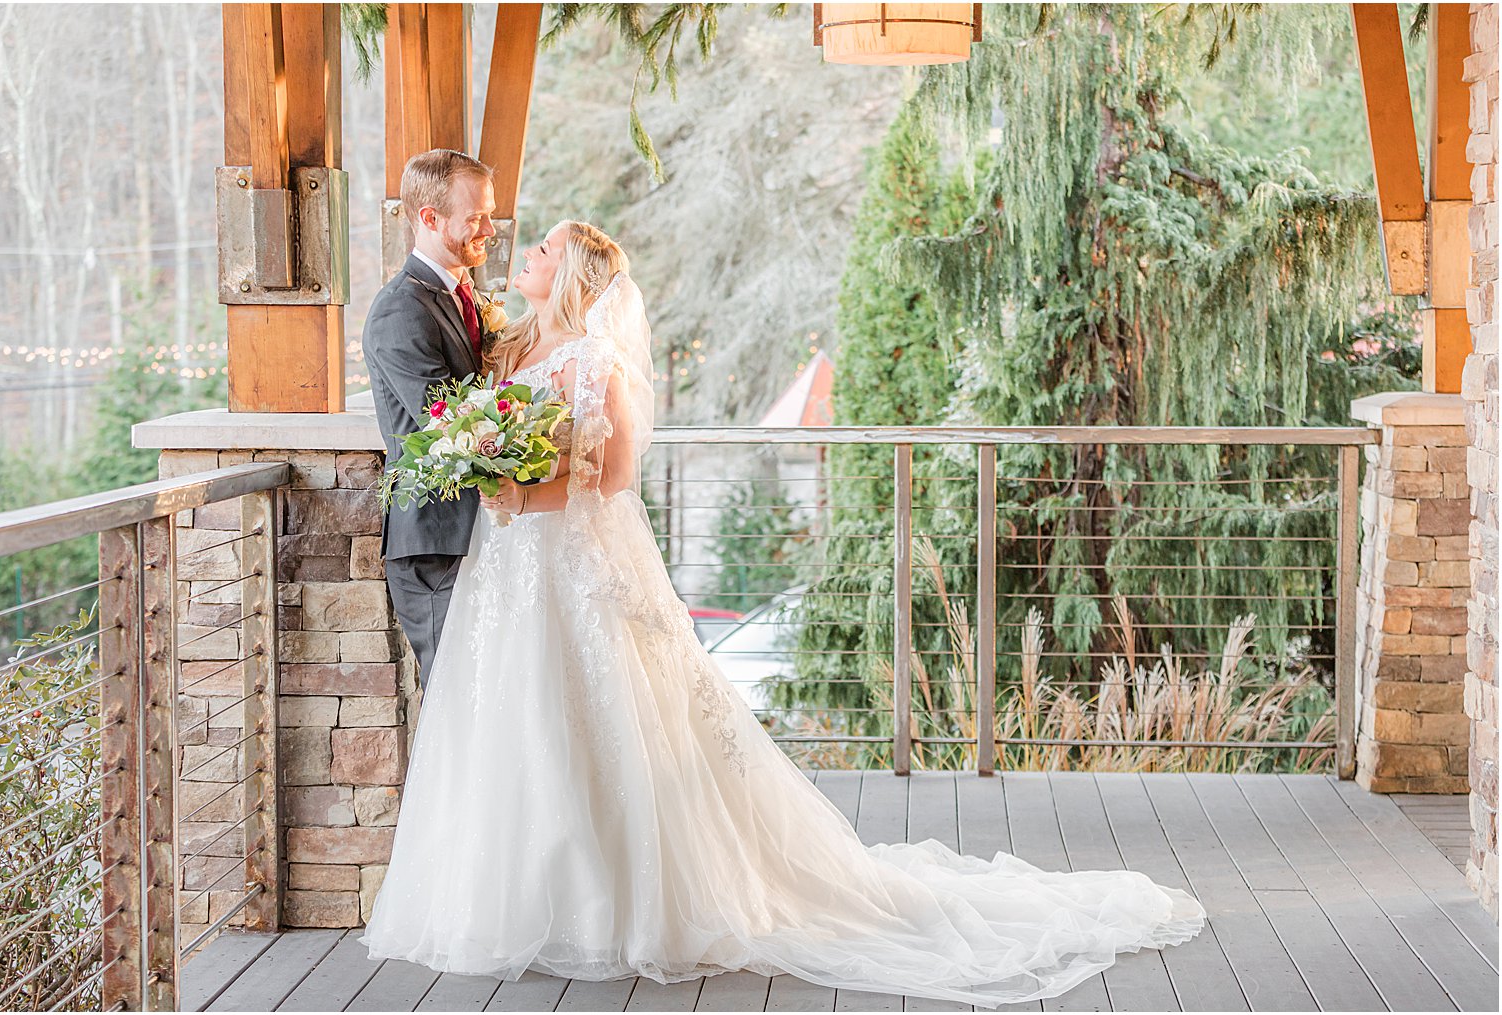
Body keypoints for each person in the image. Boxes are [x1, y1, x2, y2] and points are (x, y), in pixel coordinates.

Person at [358, 220, 1206, 1006]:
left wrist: (519, 490)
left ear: (573, 274)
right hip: (507, 567)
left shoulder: (593, 361)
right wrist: (494, 471)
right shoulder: (512, 344)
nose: (526, 253)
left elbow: (609, 476)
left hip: (569, 559)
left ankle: (617, 903)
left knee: (600, 716)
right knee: (517, 722)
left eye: (543, 247)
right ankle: (516, 896)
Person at [361, 148, 497, 689]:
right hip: (435, 545)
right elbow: (450, 423)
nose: (489, 227)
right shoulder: (401, 309)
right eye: (476, 216)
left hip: (474, 532)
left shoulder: (464, 296)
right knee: (456, 702)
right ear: (429, 218)